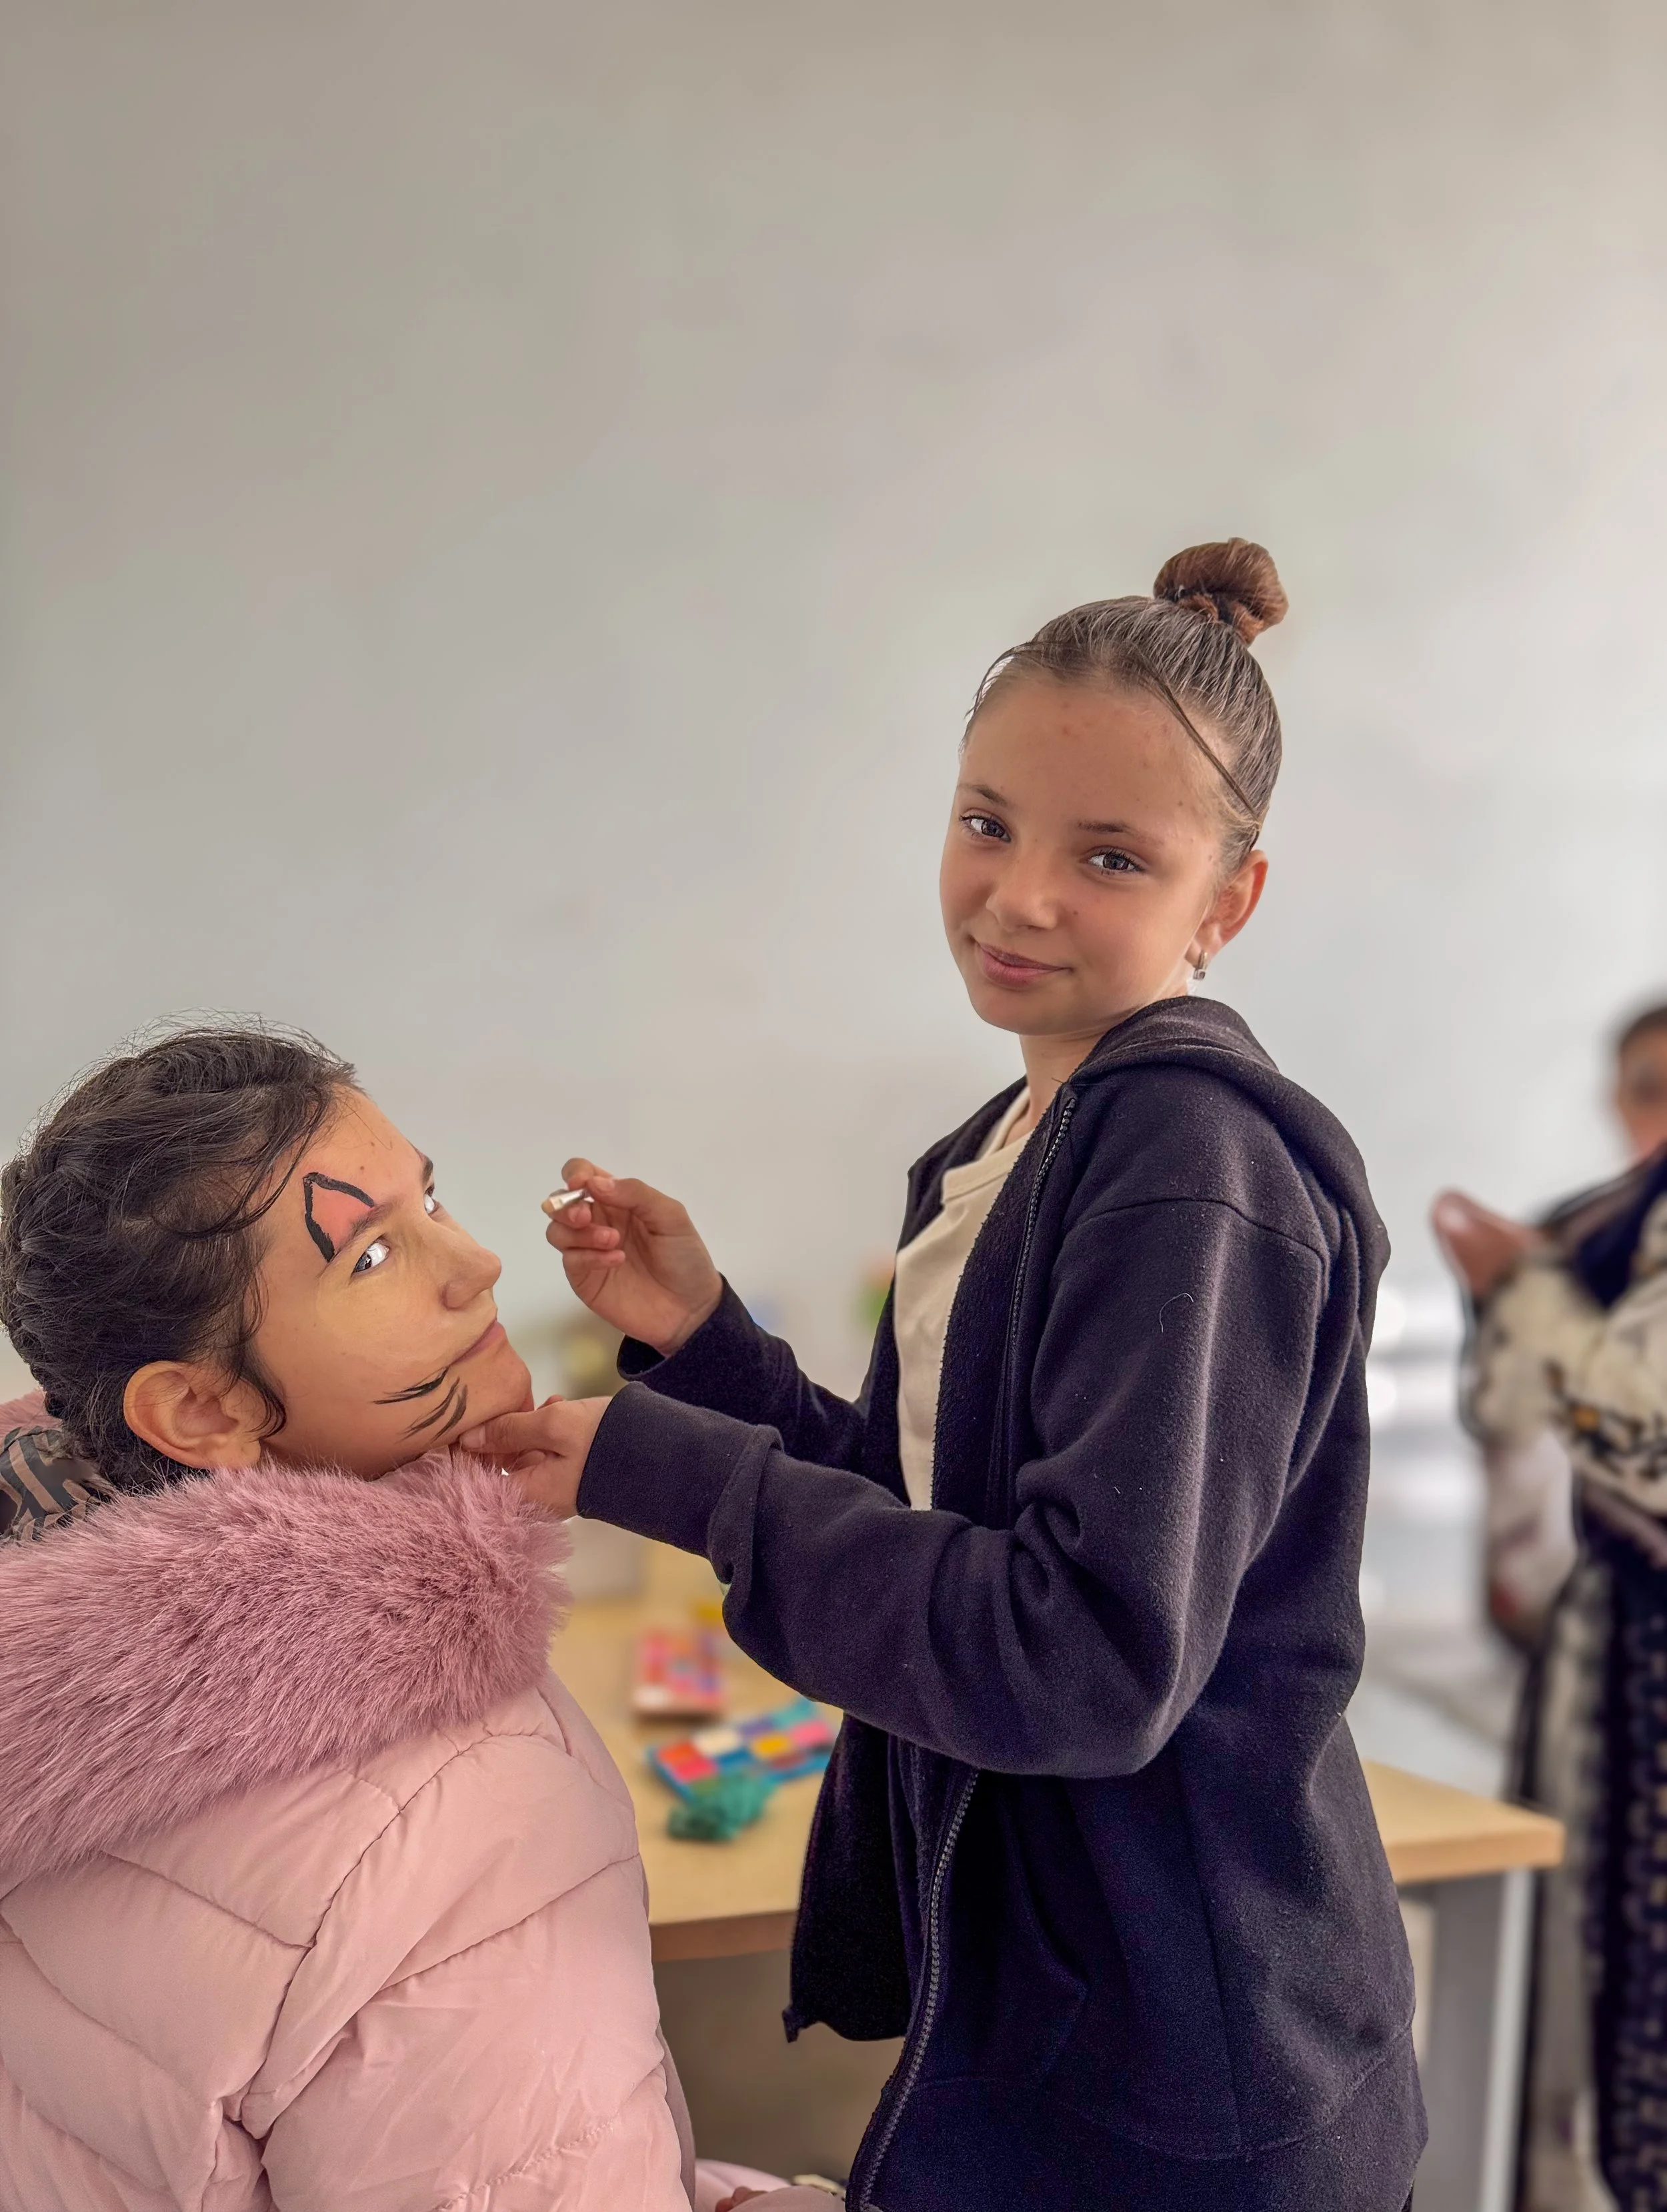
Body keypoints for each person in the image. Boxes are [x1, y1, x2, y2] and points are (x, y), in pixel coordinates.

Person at [464, 542, 1426, 2212]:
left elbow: (1076, 1653)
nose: (1019, 895)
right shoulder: (1014, 1142)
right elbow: (946, 1520)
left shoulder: (1187, 1162)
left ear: (1228, 902)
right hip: (1072, 2017)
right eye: (985, 822)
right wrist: (709, 1353)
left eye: (1108, 856)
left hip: (1192, 2072)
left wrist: (670, 1472)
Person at [0, 1025, 815, 2212]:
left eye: (431, 1199)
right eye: (372, 1258)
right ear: (199, 1409)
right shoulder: (461, 1805)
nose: (477, 1263)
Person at [1433, 998, 1667, 2212]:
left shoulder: (1570, 1254)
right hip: (1613, 1663)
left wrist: (1526, 1293)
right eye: (1647, 1087)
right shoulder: (1598, 1234)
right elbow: (1512, 1426)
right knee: (1576, 1992)